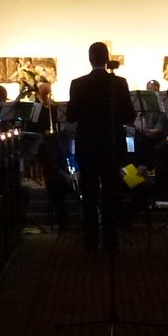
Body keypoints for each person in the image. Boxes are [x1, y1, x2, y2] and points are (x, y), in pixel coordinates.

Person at [66, 39, 135, 249]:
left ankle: (90, 238)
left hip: (87, 144)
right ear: (107, 59)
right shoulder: (119, 83)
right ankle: (111, 237)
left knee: (89, 192)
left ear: (89, 59)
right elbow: (129, 116)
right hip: (112, 144)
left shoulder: (78, 84)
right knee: (111, 192)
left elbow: (70, 116)